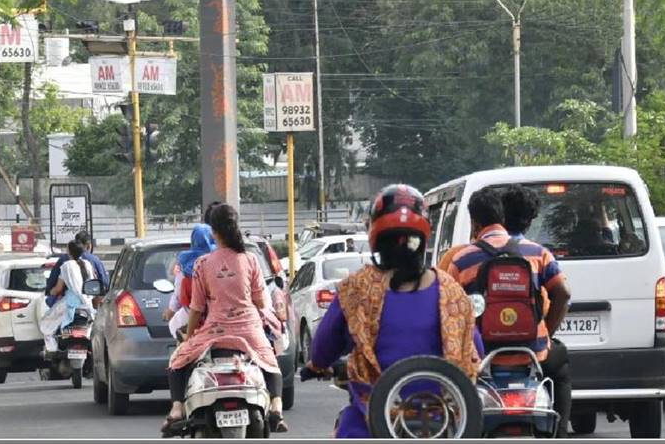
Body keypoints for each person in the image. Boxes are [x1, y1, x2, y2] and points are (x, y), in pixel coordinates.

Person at [307, 184, 480, 439]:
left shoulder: (356, 289)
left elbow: (322, 351)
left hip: (372, 424)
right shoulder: (453, 293)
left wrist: (316, 366)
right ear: (423, 240)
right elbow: (474, 352)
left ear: (375, 237)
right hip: (440, 426)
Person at [442, 188, 572, 436]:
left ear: (475, 222)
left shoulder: (461, 259)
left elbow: (446, 309)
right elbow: (563, 293)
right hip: (533, 354)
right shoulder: (537, 253)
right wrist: (544, 333)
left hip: (480, 358)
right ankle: (561, 434)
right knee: (562, 370)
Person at [163, 204, 287, 435]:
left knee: (176, 361)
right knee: (270, 362)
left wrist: (189, 338)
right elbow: (261, 302)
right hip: (250, 330)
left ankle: (177, 409)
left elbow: (196, 308)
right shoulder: (250, 259)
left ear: (214, 231)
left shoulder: (203, 264)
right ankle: (277, 408)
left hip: (216, 331)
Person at [39, 240, 95, 352]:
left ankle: (52, 350)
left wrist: (51, 292)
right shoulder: (87, 264)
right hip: (88, 304)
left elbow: (58, 288)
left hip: (70, 303)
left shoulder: (66, 266)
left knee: (46, 326)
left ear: (69, 251)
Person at [163, 224, 217, 338]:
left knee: (175, 328)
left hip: (193, 314)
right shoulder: (221, 256)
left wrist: (171, 311)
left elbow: (178, 291)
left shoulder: (185, 261)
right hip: (224, 316)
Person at [45, 230, 108, 308]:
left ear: (70, 251)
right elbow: (104, 283)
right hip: (90, 304)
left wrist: (49, 292)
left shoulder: (65, 263)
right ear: (89, 245)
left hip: (69, 305)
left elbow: (56, 285)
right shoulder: (92, 261)